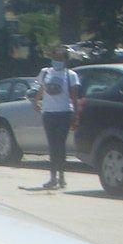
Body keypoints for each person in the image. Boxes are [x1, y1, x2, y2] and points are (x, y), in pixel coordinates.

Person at [34, 43, 83, 189]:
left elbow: (74, 97)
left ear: (65, 60)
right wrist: (36, 101)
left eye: (60, 58)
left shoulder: (71, 75)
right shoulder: (45, 72)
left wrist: (75, 116)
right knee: (52, 145)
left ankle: (61, 175)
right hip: (48, 113)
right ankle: (53, 177)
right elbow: (41, 89)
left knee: (60, 145)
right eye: (55, 57)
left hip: (64, 113)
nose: (57, 60)